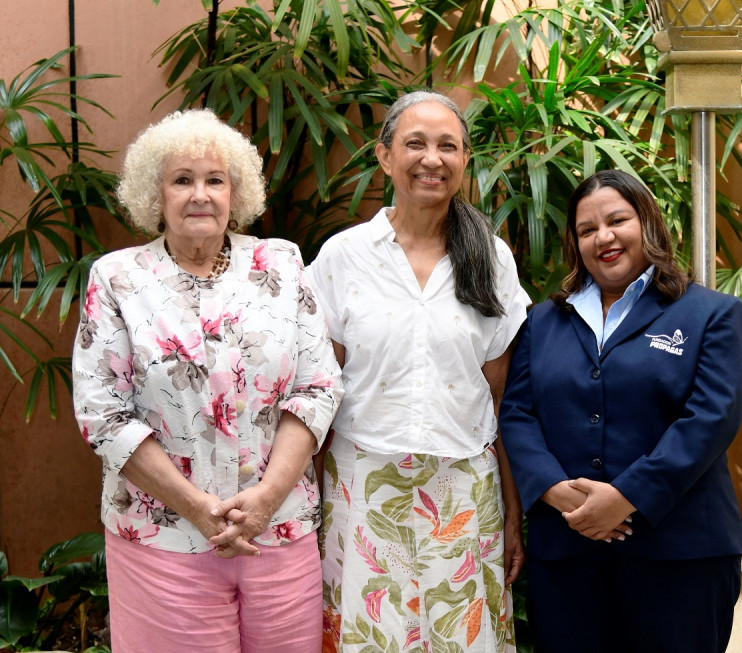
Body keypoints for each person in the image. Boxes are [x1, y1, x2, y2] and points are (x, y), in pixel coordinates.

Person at [72, 109, 343, 653]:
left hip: (279, 529)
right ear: (156, 195)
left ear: (234, 193)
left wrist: (265, 499)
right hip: (162, 539)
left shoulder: (282, 265)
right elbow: (105, 416)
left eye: (215, 180)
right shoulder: (118, 278)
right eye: (182, 180)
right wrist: (197, 507)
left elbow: (317, 388)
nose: (200, 194)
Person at [307, 90, 529, 652]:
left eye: (447, 146)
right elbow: (313, 393)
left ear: (463, 161)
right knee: (368, 637)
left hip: (463, 488)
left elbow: (503, 399)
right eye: (415, 143)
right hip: (362, 484)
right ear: (385, 158)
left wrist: (511, 509)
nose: (432, 158)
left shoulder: (493, 259)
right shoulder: (343, 257)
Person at [499, 169, 742, 653]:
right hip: (569, 554)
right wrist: (554, 492)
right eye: (587, 229)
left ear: (648, 224)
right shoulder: (544, 320)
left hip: (681, 555)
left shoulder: (711, 314)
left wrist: (626, 496)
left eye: (618, 220)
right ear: (576, 243)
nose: (604, 237)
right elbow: (517, 412)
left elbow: (710, 420)